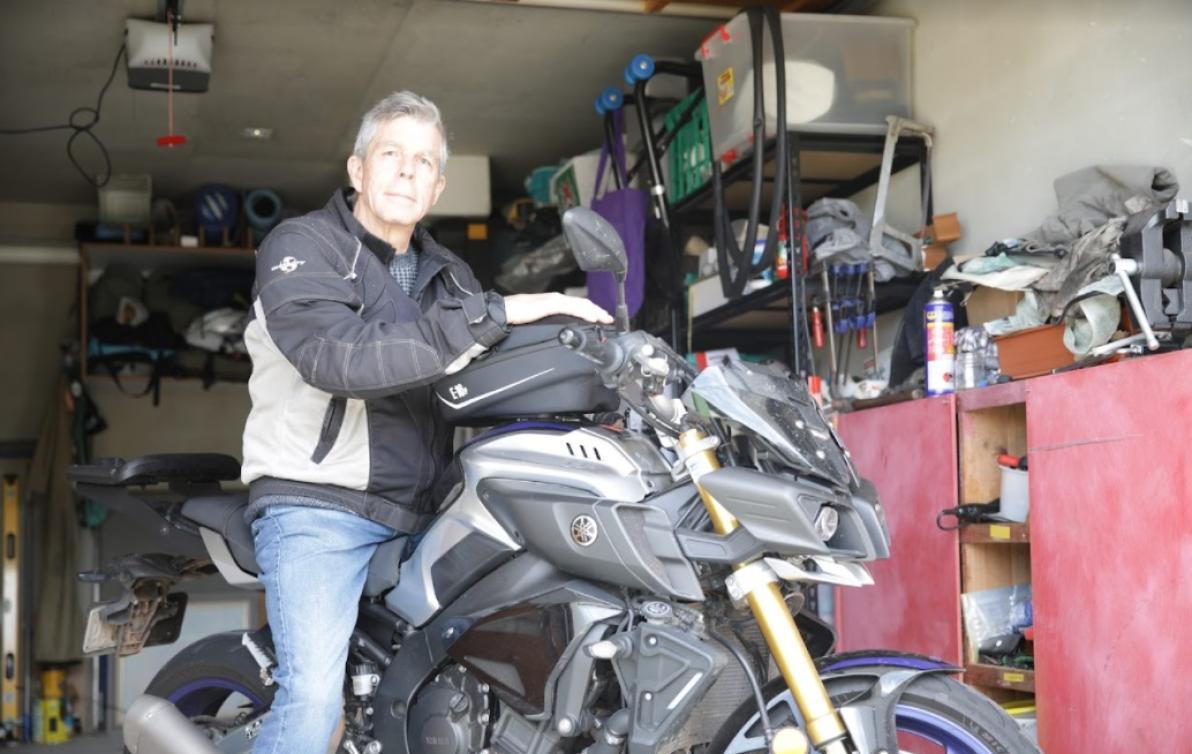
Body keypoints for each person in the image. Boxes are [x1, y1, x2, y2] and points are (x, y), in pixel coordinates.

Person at [239, 90, 611, 754]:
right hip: (318, 508)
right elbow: (336, 358)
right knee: (313, 700)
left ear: (438, 185)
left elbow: (492, 368)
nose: (406, 171)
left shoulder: (449, 277)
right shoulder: (302, 246)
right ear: (357, 169)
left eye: (423, 161)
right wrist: (502, 310)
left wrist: (595, 382)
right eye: (391, 153)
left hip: (428, 511)